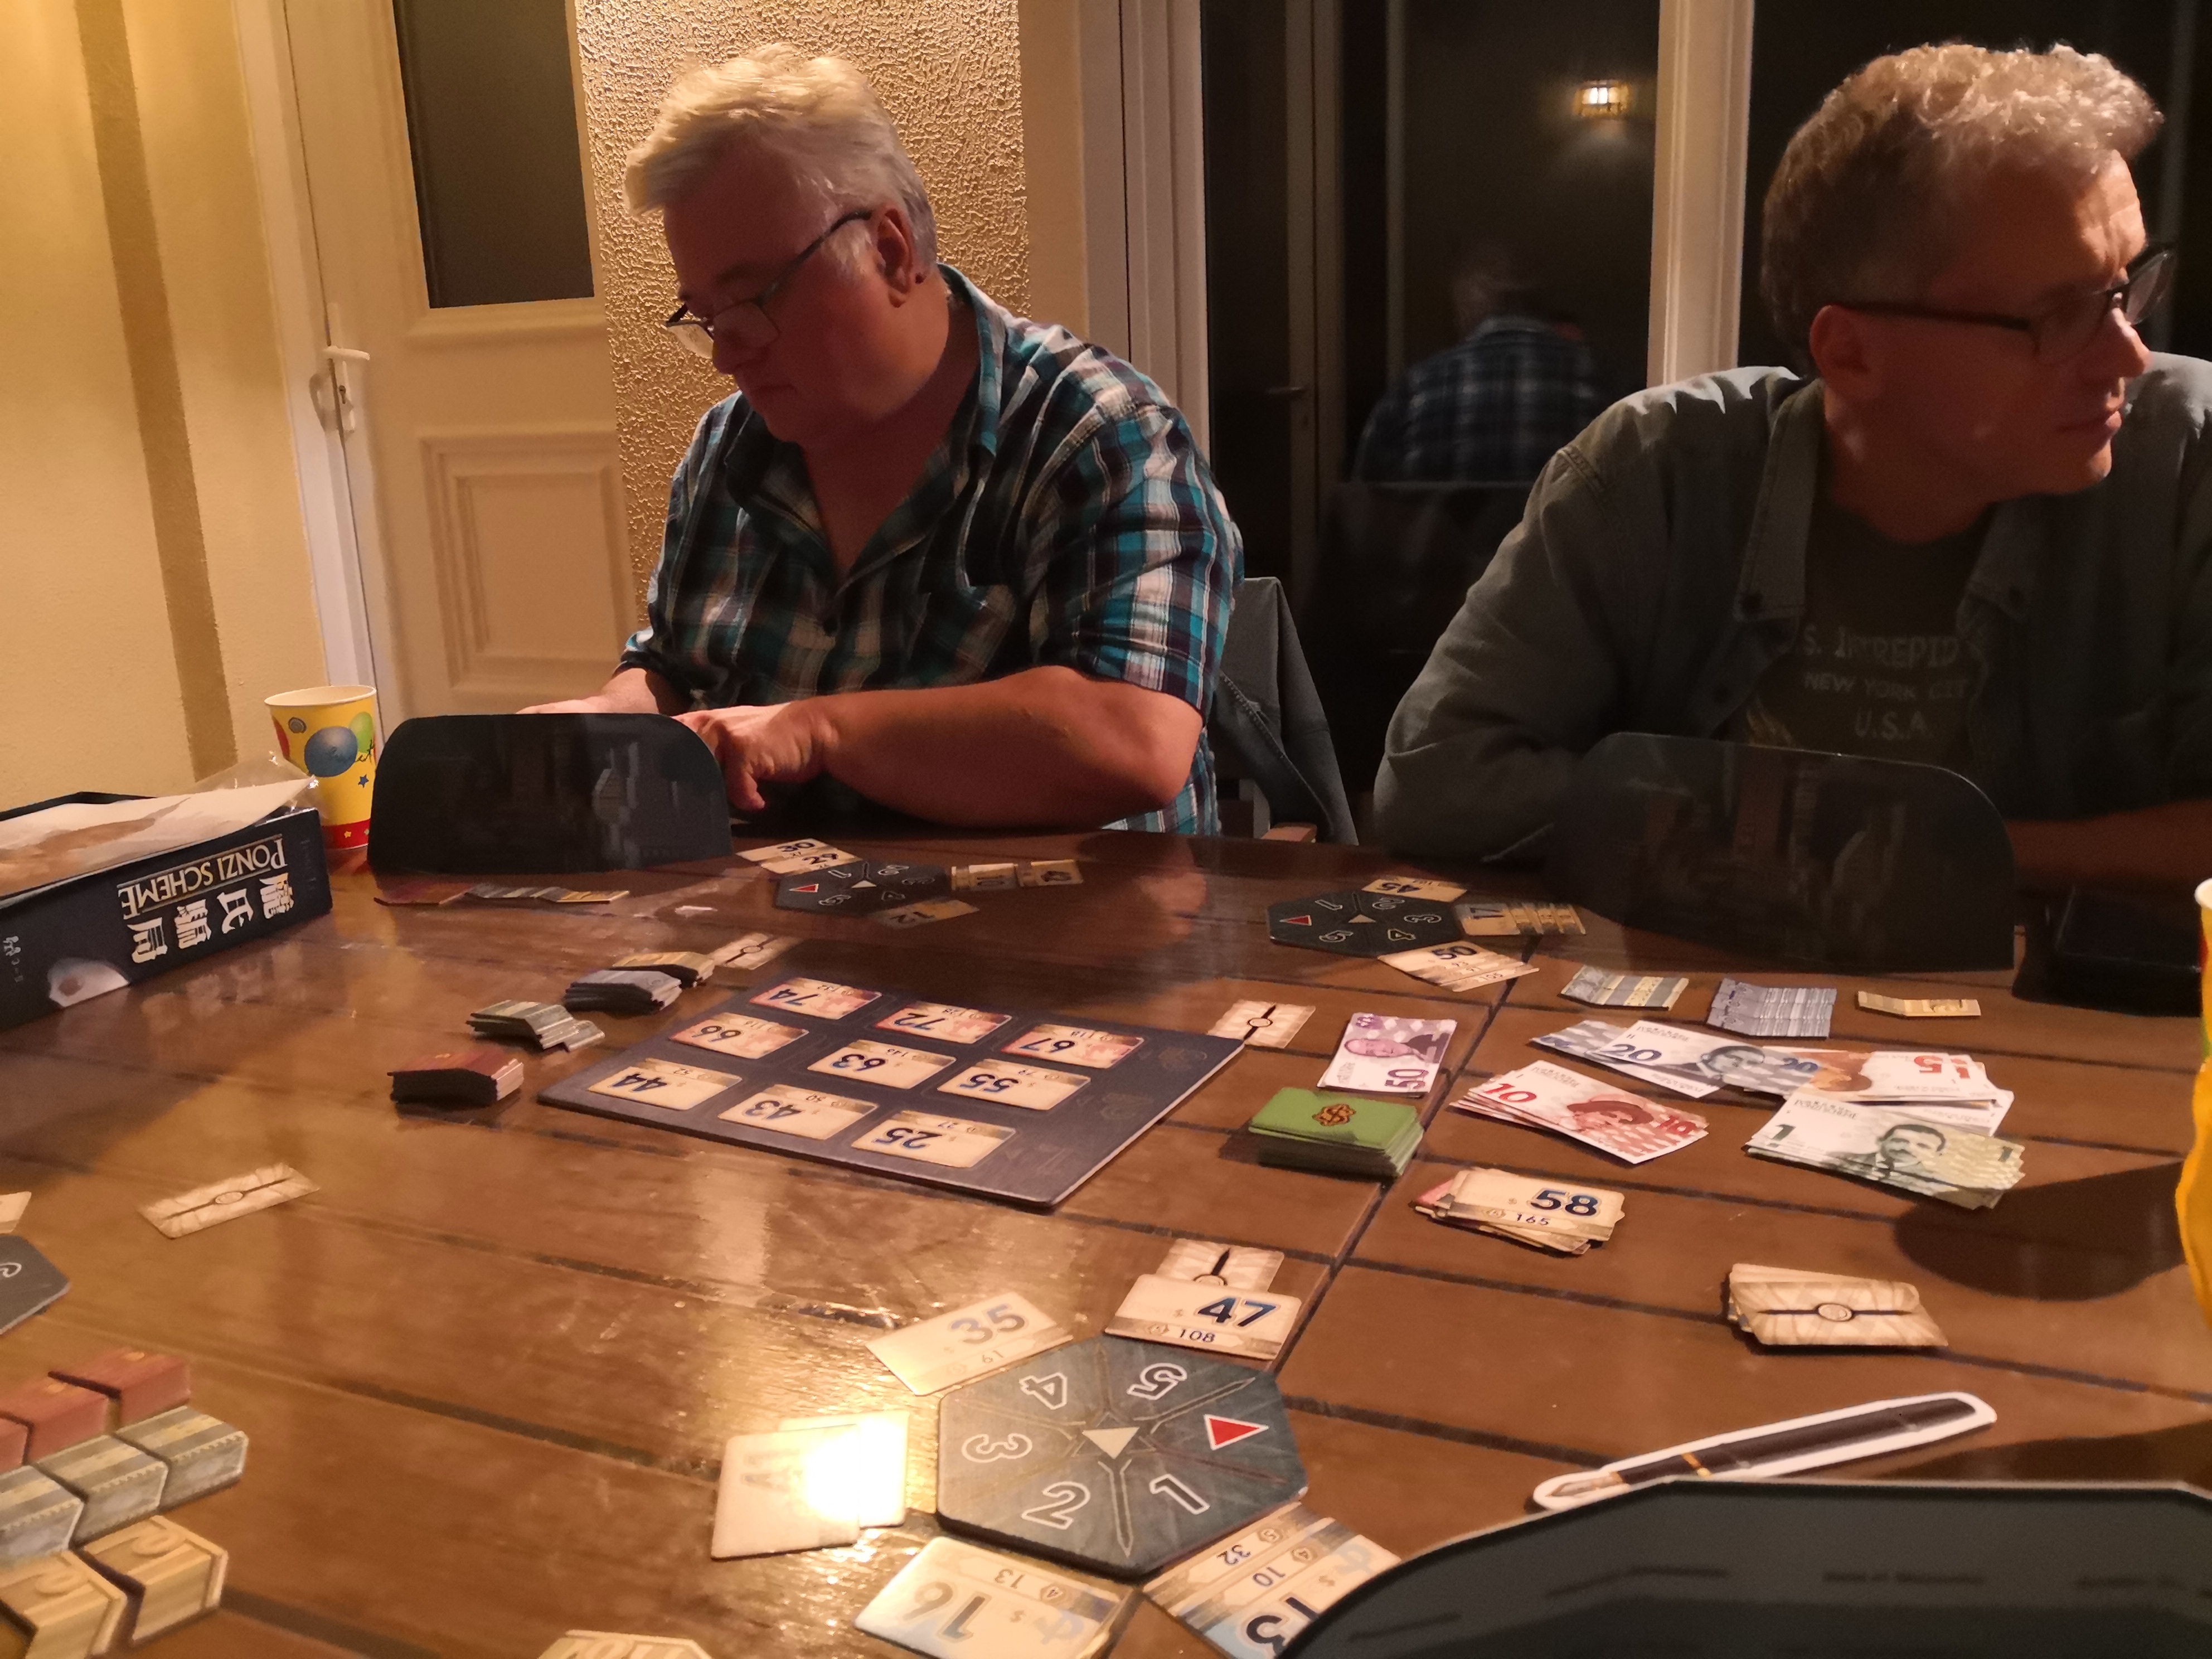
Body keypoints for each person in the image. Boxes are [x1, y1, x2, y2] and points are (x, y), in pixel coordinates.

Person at [1375, 45, 2212, 893]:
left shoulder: (2190, 455)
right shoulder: (1658, 472)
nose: (2130, 355)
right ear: (1851, 353)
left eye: (2126, 288)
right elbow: (1437, 778)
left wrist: (1923, 853)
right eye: (2060, 315)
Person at [525, 46, 1241, 833]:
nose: (728, 353)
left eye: (752, 299)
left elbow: (1134, 741)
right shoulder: (726, 449)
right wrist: (604, 721)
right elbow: (673, 670)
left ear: (890, 251)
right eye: (705, 316)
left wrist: (818, 730)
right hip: (768, 906)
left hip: (1066, 912)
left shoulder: (1098, 435)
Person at [1353, 245, 1605, 483]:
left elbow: (1366, 504)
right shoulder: (1604, 382)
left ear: (1465, 303)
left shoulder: (1412, 391)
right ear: (1542, 304)